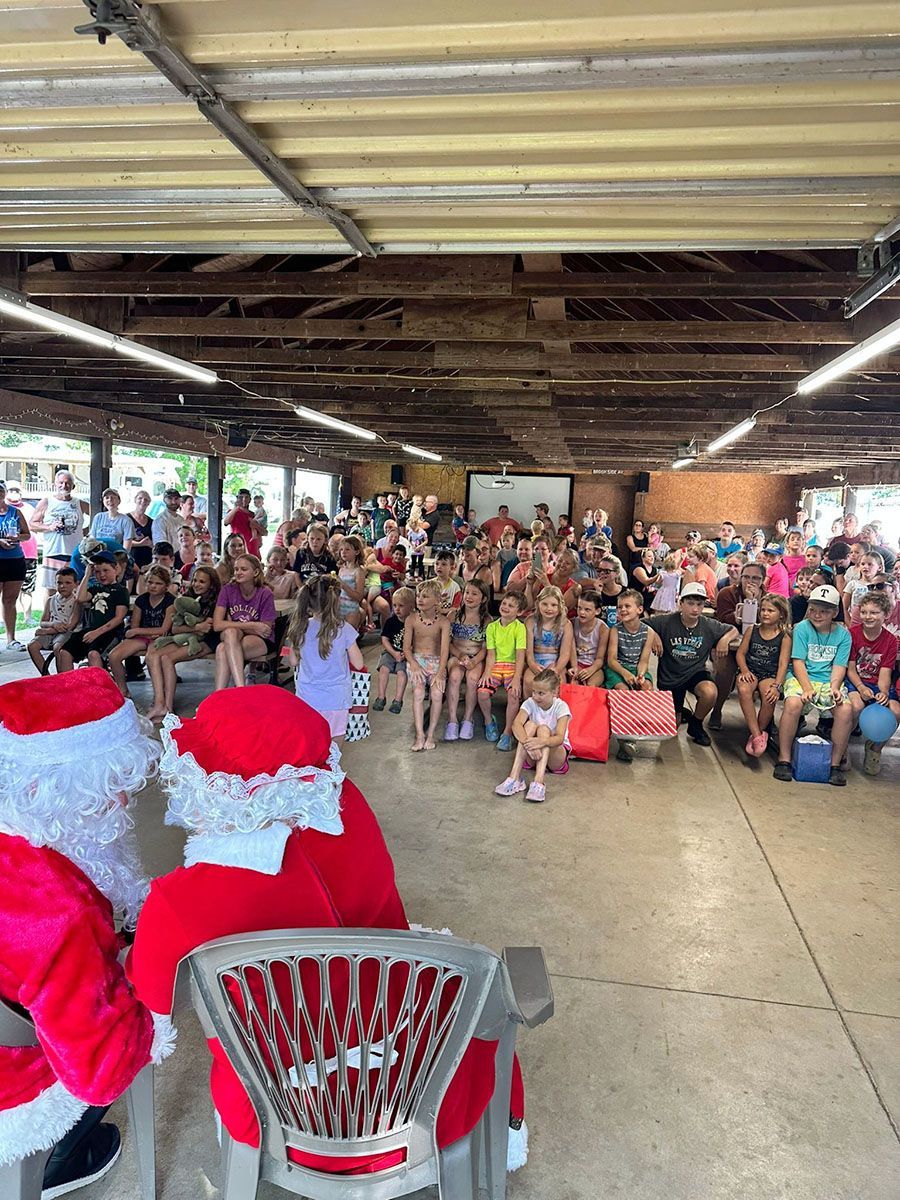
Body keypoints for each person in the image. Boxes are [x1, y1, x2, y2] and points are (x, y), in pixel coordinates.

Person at [128, 688, 527, 1180]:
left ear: (207, 781)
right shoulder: (350, 807)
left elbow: (150, 998)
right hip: (418, 1087)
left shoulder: (180, 900)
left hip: (275, 1109)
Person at [0, 669, 172, 1196]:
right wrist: (152, 1015)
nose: (124, 807)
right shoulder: (62, 908)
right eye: (107, 791)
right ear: (51, 788)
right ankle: (61, 1164)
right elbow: (98, 1070)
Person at [773, 584, 853, 785]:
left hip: (827, 679)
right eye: (814, 610)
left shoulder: (843, 635)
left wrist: (835, 686)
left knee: (845, 710)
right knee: (793, 704)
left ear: (835, 612)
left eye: (825, 611)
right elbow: (798, 661)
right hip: (801, 677)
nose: (818, 615)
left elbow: (839, 665)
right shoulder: (801, 628)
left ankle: (833, 764)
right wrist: (807, 687)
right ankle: (784, 759)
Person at [647, 583, 736, 746]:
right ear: (681, 603)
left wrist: (725, 639)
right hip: (671, 676)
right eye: (690, 603)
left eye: (699, 604)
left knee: (710, 692)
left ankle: (696, 724)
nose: (695, 609)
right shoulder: (666, 621)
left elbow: (733, 630)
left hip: (695, 672)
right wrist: (654, 635)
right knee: (670, 729)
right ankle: (681, 712)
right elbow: (641, 624)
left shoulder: (709, 624)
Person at [286, 574, 365, 741]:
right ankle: (334, 767)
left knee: (311, 740)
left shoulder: (299, 628)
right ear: (335, 600)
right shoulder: (344, 629)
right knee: (335, 740)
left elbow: (293, 661)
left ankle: (315, 768)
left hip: (307, 696)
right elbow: (359, 663)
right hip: (336, 697)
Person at [146, 566, 221, 721]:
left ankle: (168, 707)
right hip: (187, 636)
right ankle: (159, 702)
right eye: (194, 580)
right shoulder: (187, 598)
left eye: (202, 581)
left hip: (208, 641)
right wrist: (195, 627)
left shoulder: (216, 602)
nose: (196, 584)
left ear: (211, 584)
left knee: (167, 659)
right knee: (152, 654)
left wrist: (196, 628)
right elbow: (175, 628)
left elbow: (206, 630)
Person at [494, 668, 571, 803]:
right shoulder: (530, 702)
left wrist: (541, 742)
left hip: (555, 757)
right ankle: (514, 778)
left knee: (543, 729)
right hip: (533, 753)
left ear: (554, 693)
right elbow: (516, 724)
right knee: (529, 726)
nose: (535, 696)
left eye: (541, 693)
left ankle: (539, 782)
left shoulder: (561, 706)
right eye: (534, 692)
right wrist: (528, 744)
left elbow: (559, 738)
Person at [846, 590, 900, 776]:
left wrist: (883, 693)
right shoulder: (852, 634)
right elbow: (850, 669)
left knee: (895, 710)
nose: (868, 616)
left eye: (874, 612)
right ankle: (843, 745)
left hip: (878, 683)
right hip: (855, 681)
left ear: (885, 615)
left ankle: (875, 749)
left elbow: (886, 672)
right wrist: (860, 687)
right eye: (864, 612)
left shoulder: (891, 640)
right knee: (855, 706)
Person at [735, 594, 792, 756]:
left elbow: (783, 663)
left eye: (771, 611)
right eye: (763, 610)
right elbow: (740, 653)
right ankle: (758, 736)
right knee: (744, 689)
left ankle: (756, 734)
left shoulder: (784, 636)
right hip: (751, 670)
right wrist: (745, 670)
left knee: (769, 695)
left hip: (770, 674)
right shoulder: (752, 630)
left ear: (781, 614)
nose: (765, 614)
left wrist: (777, 686)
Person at [55, 552, 130, 673]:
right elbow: (79, 598)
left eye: (106, 570)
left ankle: (98, 689)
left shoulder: (121, 591)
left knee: (93, 654)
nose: (102, 575)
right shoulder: (95, 589)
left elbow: (119, 618)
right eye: (98, 572)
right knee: (65, 652)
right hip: (91, 630)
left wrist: (96, 632)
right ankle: (69, 687)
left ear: (116, 569)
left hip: (110, 632)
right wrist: (87, 574)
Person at [213, 554, 276, 689]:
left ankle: (218, 698)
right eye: (236, 569)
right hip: (235, 636)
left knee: (222, 649)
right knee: (230, 633)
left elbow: (265, 630)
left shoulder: (265, 593)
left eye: (243, 569)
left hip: (259, 640)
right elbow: (217, 625)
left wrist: (234, 624)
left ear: (256, 572)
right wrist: (252, 625)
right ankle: (241, 689)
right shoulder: (227, 590)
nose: (238, 572)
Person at [403, 579, 451, 752]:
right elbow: (406, 648)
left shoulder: (443, 622)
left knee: (437, 694)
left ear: (437, 600)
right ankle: (419, 734)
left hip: (437, 661)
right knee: (418, 692)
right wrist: (414, 665)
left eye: (425, 596)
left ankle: (430, 734)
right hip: (417, 659)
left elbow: (445, 650)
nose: (420, 599)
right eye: (418, 596)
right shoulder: (411, 619)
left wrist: (440, 672)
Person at [478, 591, 527, 749]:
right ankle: (488, 721)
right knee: (482, 692)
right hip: (495, 665)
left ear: (519, 612)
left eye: (511, 606)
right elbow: (491, 654)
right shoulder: (492, 627)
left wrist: (516, 679)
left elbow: (520, 656)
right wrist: (487, 672)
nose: (505, 607)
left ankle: (507, 732)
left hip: (513, 666)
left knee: (514, 694)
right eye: (504, 603)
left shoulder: (520, 628)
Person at [444, 579, 490, 741]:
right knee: (455, 677)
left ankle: (468, 718)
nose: (469, 596)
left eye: (474, 594)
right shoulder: (453, 615)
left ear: (483, 599)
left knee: (472, 679)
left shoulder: (487, 620)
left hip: (476, 658)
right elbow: (447, 643)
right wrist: (460, 655)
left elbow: (486, 648)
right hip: (457, 655)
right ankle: (452, 719)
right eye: (467, 592)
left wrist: (474, 661)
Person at [29, 469, 87, 594]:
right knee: (52, 589)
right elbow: (32, 524)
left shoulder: (79, 503)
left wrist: (85, 531)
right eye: (61, 483)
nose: (64, 486)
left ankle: (72, 614)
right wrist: (49, 527)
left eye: (67, 483)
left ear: (73, 486)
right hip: (54, 551)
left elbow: (97, 516)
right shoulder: (47, 501)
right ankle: (49, 613)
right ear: (55, 484)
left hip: (74, 552)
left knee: (74, 588)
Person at [27, 565, 80, 674]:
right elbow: (43, 622)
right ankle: (46, 675)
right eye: (59, 583)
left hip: (68, 633)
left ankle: (61, 677)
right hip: (52, 631)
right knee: (32, 646)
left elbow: (70, 626)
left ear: (76, 584)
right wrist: (53, 624)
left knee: (58, 647)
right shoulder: (51, 600)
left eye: (68, 583)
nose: (62, 586)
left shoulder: (76, 601)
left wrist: (48, 630)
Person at [524, 585, 573, 700]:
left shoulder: (566, 624)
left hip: (555, 663)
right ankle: (530, 712)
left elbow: (565, 653)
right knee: (528, 681)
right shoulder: (530, 621)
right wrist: (533, 666)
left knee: (559, 685)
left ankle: (555, 715)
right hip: (535, 661)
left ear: (560, 606)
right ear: (538, 604)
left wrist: (557, 669)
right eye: (544, 604)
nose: (548, 608)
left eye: (553, 605)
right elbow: (528, 652)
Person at [0, 480, 32, 650]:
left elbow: (27, 534)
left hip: (15, 559)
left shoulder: (15, 512)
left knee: (9, 600)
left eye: (1, 491)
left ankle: (11, 639)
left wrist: (17, 538)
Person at [373, 585, 414, 715]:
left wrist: (408, 652)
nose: (397, 609)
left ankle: (398, 700)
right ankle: (381, 697)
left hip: (406, 654)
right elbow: (384, 639)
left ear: (411, 606)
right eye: (394, 605)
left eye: (401, 606)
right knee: (384, 669)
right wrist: (393, 652)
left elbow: (418, 640)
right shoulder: (391, 621)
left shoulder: (414, 622)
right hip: (391, 651)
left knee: (402, 672)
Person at [568, 592, 608, 687]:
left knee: (591, 685)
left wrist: (591, 670)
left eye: (587, 610)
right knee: (574, 684)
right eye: (579, 608)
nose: (582, 612)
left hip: (595, 666)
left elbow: (600, 658)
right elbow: (570, 650)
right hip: (575, 664)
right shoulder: (572, 624)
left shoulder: (603, 629)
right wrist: (575, 667)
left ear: (597, 611)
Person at [844, 551, 886, 625]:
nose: (865, 567)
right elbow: (844, 608)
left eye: (870, 564)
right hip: (855, 622)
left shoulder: (882, 586)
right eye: (863, 564)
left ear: (879, 567)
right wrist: (850, 624)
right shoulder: (853, 584)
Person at [224, 489, 263, 558]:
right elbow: (226, 522)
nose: (244, 499)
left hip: (253, 546)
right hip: (239, 547)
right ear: (237, 498)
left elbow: (262, 531)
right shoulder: (233, 512)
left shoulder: (253, 514)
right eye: (241, 497)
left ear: (250, 500)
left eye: (246, 497)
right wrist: (236, 508)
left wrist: (259, 539)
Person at [127, 489, 154, 570]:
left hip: (147, 560)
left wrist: (150, 544)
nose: (143, 501)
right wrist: (140, 543)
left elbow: (154, 543)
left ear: (149, 503)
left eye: (146, 499)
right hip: (131, 559)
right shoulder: (127, 519)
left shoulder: (151, 521)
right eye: (140, 498)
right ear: (135, 500)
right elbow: (122, 542)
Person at [433, 549, 462, 614]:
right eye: (437, 564)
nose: (439, 567)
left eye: (444, 564)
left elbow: (456, 607)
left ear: (451, 568)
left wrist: (443, 611)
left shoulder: (455, 587)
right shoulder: (430, 584)